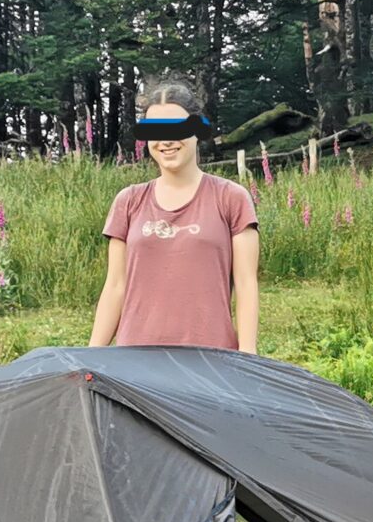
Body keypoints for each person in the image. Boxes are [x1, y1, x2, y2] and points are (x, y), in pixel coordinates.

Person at [89, 77, 261, 352]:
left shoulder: (231, 198)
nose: (166, 140)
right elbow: (115, 286)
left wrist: (248, 353)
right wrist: (92, 356)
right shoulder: (129, 201)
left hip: (212, 359)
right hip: (135, 360)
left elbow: (245, 283)